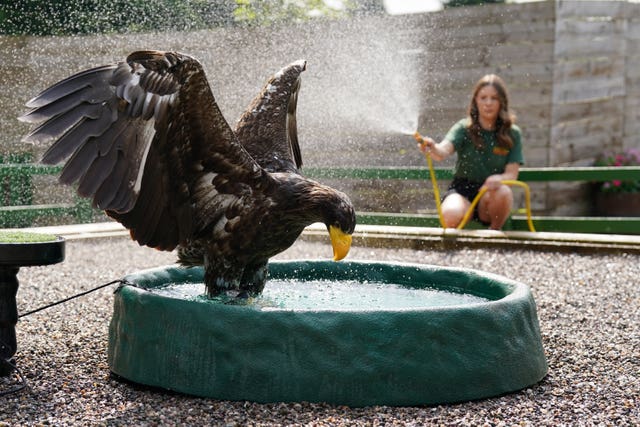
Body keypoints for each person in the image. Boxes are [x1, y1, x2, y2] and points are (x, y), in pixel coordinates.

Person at [417, 74, 524, 230]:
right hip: (462, 190)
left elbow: (512, 174)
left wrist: (499, 179)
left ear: (502, 102)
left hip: (490, 193)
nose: (488, 103)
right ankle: (457, 245)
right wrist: (432, 147)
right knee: (450, 215)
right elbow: (441, 152)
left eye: (494, 98)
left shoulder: (512, 133)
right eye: (483, 98)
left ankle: (493, 236)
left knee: (504, 192)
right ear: (475, 101)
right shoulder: (463, 128)